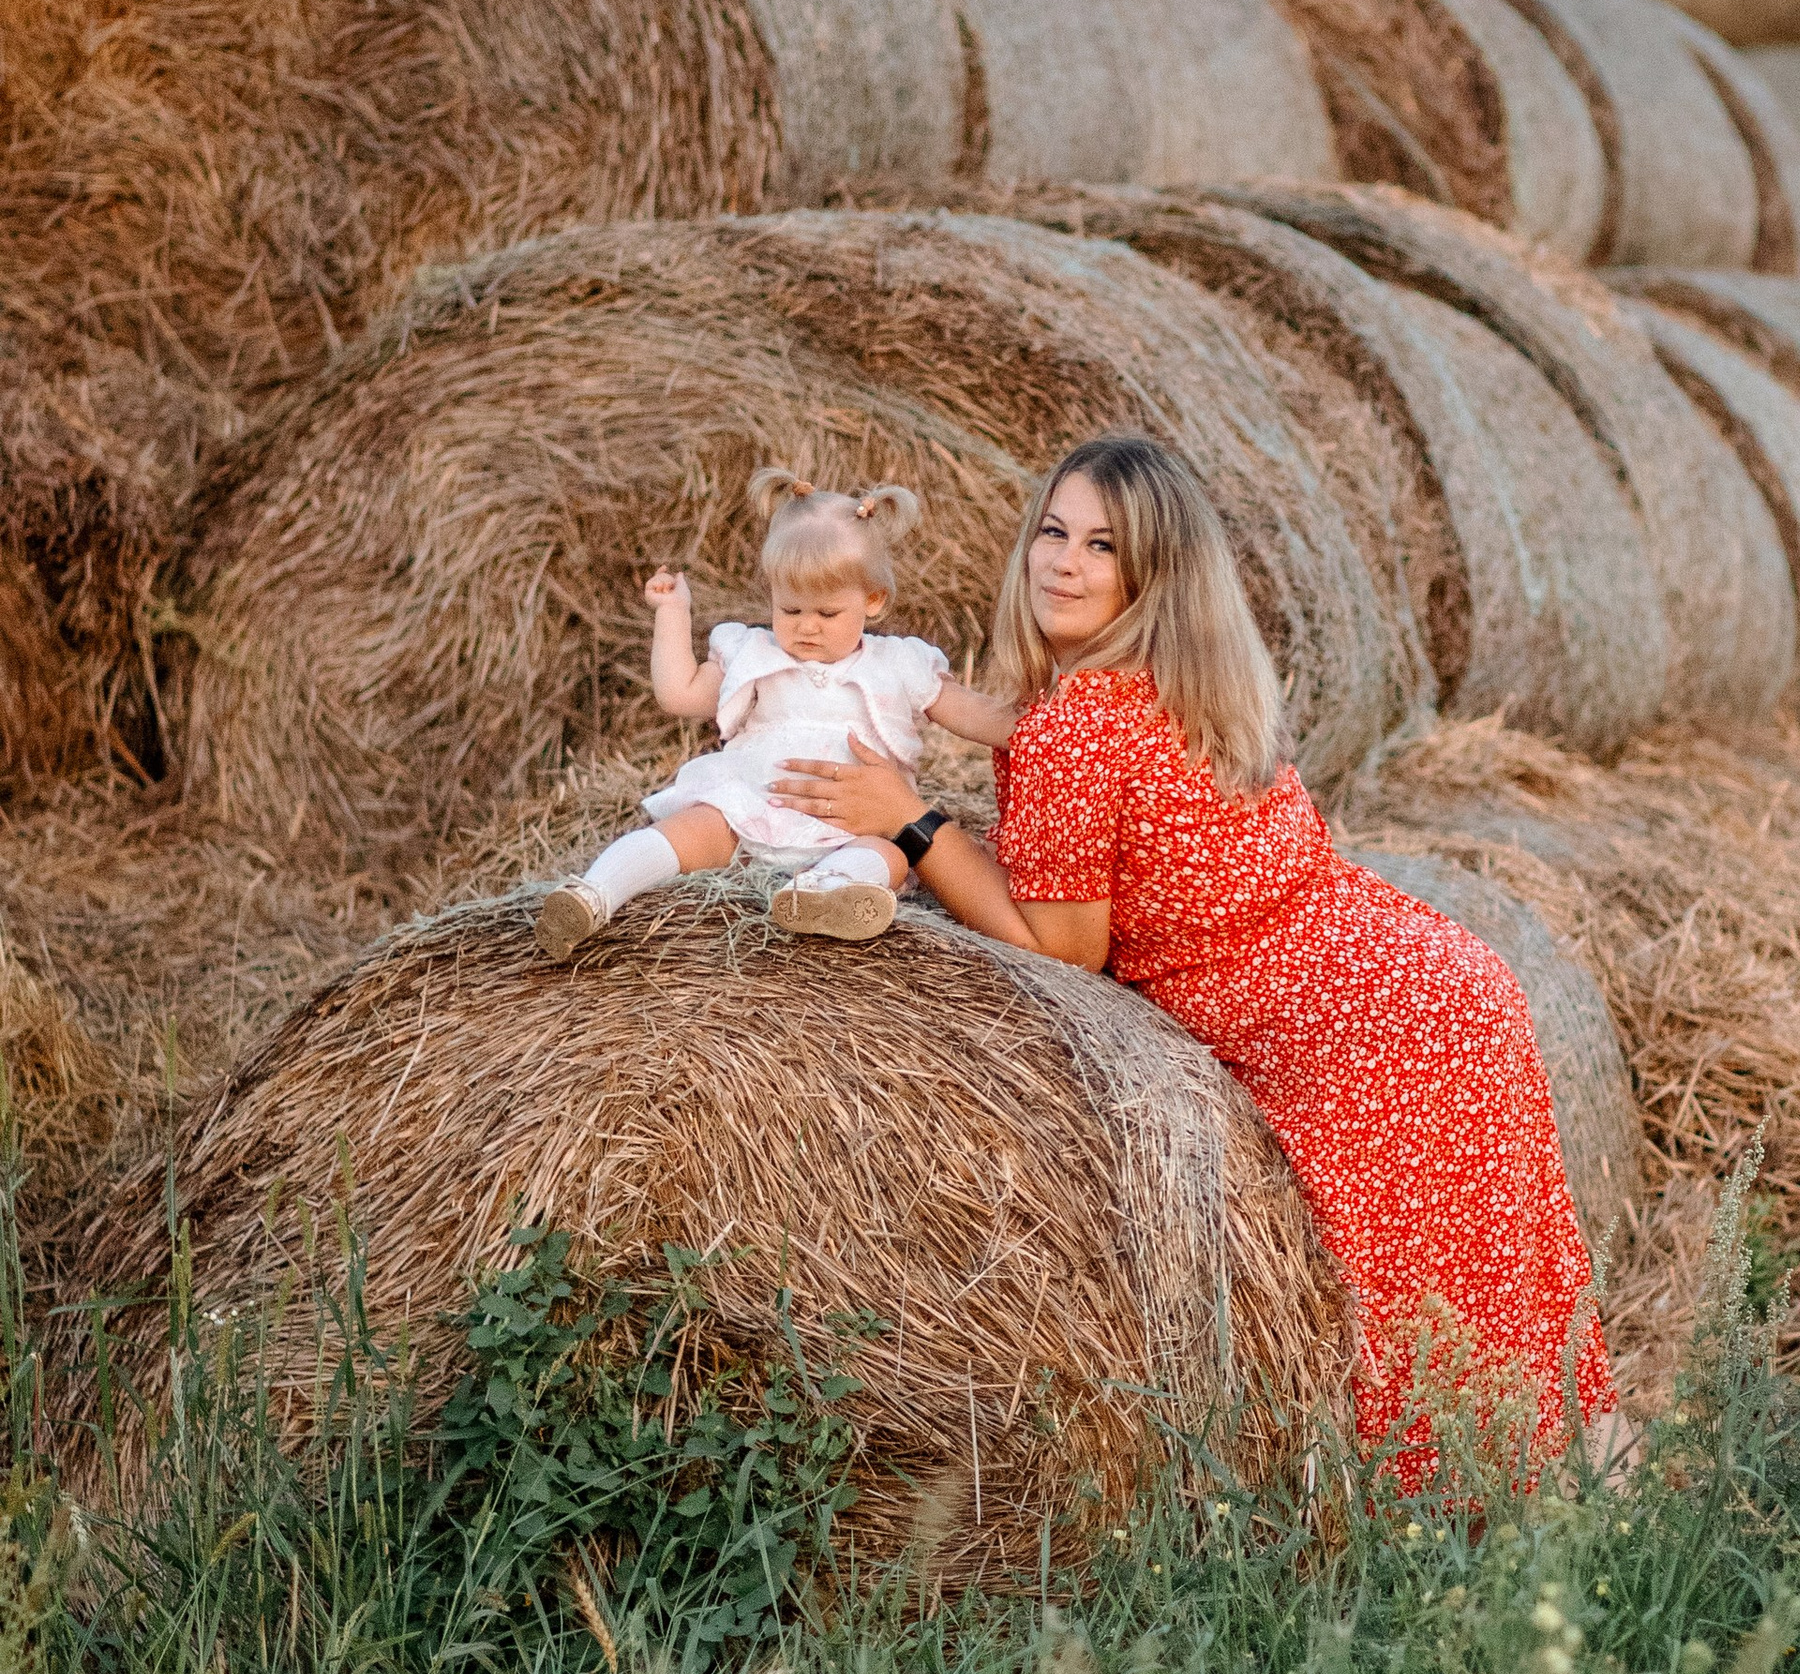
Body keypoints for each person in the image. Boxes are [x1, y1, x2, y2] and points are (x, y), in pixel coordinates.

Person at [770, 428, 1633, 1485]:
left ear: (1153, 573)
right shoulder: (1181, 682)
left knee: (1410, 1325)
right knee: (1494, 1298)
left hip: (1361, 1036)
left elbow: (1062, 950)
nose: (1064, 564)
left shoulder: (1077, 726)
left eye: (1103, 546)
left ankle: (1450, 1524)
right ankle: (1563, 1500)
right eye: (1053, 533)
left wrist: (911, 822)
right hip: (1433, 981)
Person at [534, 469, 1014, 961]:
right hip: (748, 813)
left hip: (851, 829)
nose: (807, 627)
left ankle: (824, 893)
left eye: (827, 614)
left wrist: (1040, 725)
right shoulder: (753, 652)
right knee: (685, 831)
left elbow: (974, 714)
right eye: (790, 610)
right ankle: (594, 894)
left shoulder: (898, 665)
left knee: (891, 855)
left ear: (873, 600)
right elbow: (678, 694)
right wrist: (672, 612)